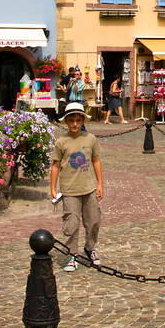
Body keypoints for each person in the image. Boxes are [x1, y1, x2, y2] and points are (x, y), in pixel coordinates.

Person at [49, 102, 104, 273]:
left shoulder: (90, 139)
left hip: (89, 188)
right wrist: (53, 188)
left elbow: (96, 161)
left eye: (77, 120)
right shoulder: (61, 142)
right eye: (71, 120)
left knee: (94, 220)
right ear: (66, 121)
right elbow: (56, 166)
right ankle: (72, 254)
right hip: (70, 190)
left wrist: (100, 184)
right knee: (71, 224)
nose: (74, 124)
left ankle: (89, 248)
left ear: (82, 121)